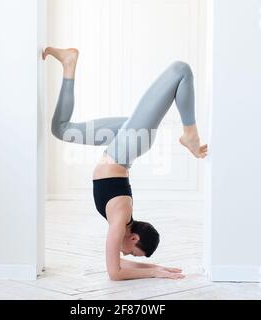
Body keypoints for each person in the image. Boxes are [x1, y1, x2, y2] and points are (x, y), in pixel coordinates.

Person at [43, 47, 208, 281]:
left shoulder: (122, 219)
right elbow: (115, 272)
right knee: (180, 70)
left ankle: (69, 62)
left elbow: (118, 264)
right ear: (134, 238)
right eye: (133, 252)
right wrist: (153, 273)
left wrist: (157, 268)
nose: (126, 253)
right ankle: (190, 133)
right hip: (129, 142)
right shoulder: (120, 219)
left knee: (61, 129)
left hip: (123, 141)